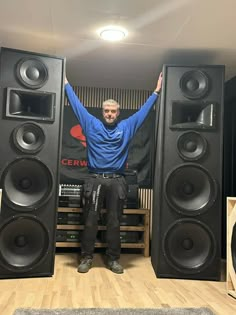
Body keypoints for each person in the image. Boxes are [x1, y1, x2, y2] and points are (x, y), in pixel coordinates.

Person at [64, 72, 163, 274]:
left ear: (118, 113)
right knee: (90, 220)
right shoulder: (91, 124)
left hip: (117, 180)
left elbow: (143, 112)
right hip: (95, 179)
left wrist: (156, 91)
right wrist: (65, 82)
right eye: (107, 111)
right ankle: (87, 257)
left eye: (113, 111)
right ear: (102, 112)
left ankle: (113, 259)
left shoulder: (127, 126)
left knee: (114, 222)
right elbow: (76, 104)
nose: (109, 114)